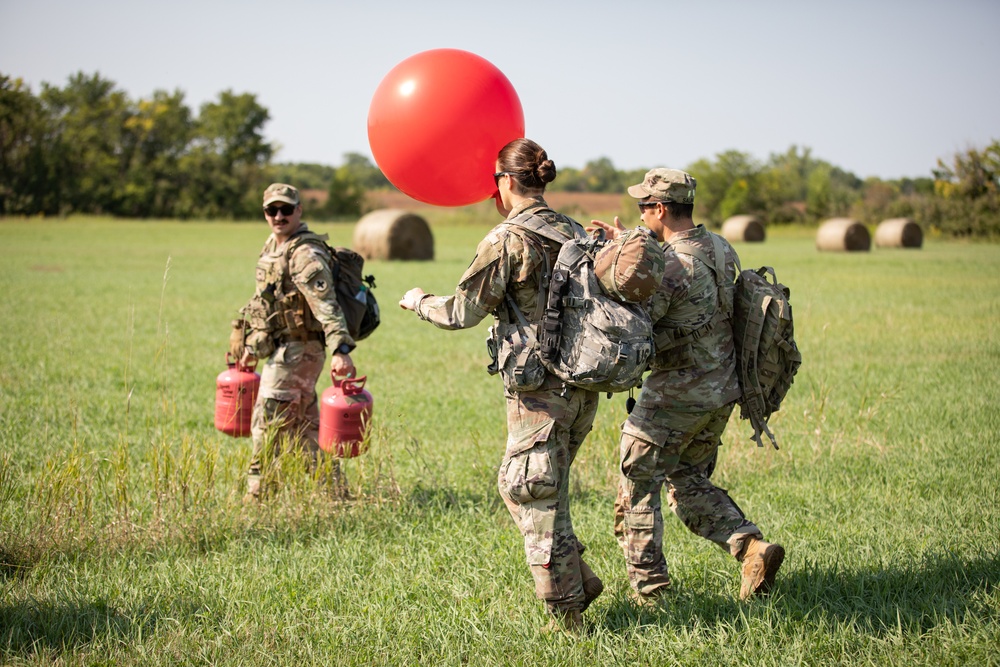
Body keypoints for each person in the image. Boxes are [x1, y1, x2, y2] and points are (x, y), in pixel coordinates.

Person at [399, 138, 603, 633]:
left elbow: (462, 312)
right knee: (536, 488)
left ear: (506, 182)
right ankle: (579, 576)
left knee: (530, 489)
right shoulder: (574, 230)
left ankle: (567, 616)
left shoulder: (507, 239)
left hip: (539, 388)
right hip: (583, 385)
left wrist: (417, 300)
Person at [590, 168, 785, 605]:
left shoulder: (671, 265)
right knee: (687, 478)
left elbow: (638, 318)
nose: (640, 216)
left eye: (643, 209)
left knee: (637, 484)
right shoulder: (718, 246)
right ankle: (751, 548)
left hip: (676, 394)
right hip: (722, 390)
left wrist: (616, 261)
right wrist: (630, 243)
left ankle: (651, 593)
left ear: (660, 209)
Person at [236, 183, 356, 502]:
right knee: (303, 427)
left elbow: (325, 303)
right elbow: (267, 305)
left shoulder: (305, 252)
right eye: (272, 210)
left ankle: (259, 495)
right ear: (264, 213)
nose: (279, 215)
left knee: (268, 418)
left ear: (299, 211)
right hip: (282, 348)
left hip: (302, 349)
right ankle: (337, 495)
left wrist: (341, 349)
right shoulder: (273, 246)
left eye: (286, 209)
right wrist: (251, 348)